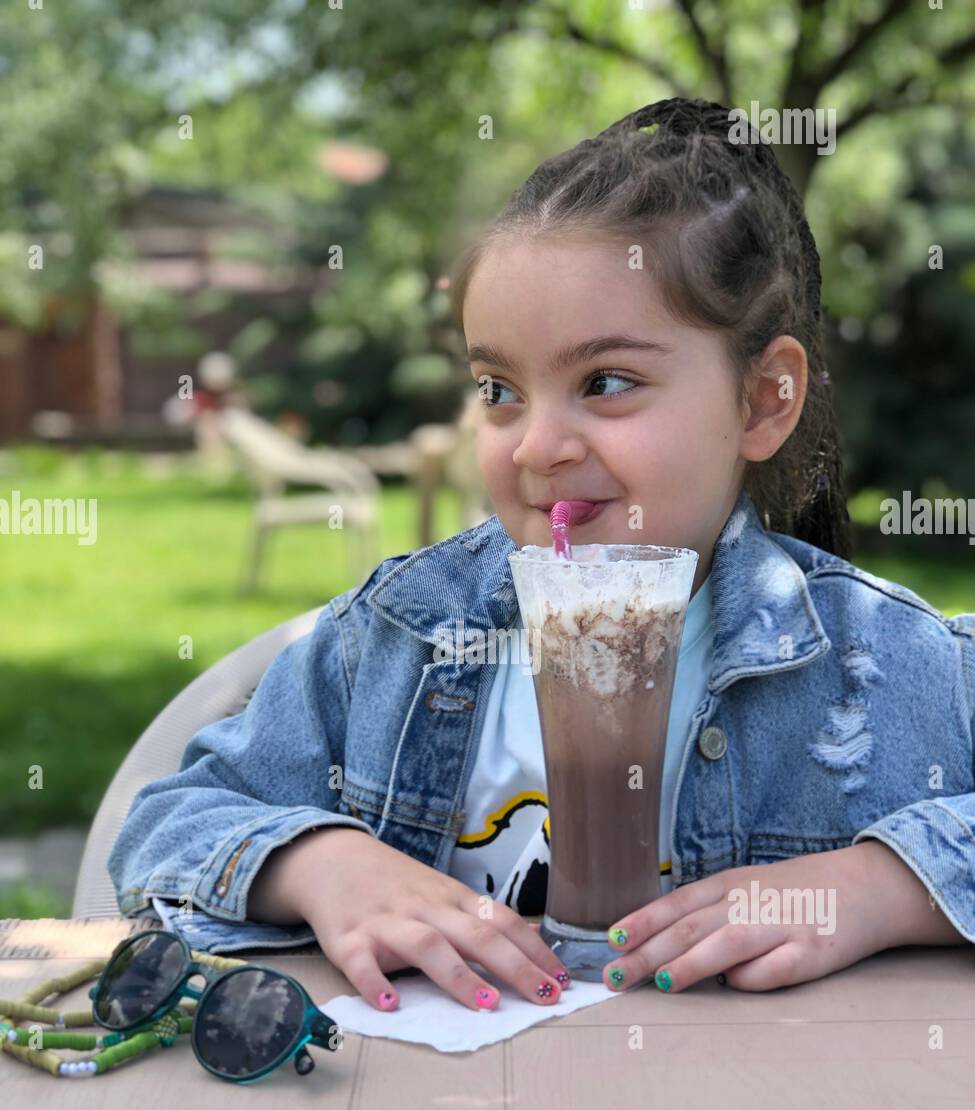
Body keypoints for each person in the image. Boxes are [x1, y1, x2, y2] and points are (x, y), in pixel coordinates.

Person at [108, 97, 973, 1014]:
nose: (534, 447)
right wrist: (318, 866)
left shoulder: (879, 666)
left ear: (762, 402)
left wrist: (883, 889)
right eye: (499, 389)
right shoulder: (398, 637)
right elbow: (166, 824)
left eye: (605, 383)